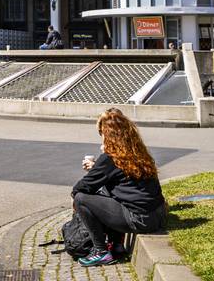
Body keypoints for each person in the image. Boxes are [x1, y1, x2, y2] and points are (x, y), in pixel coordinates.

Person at [71, 108, 168, 267]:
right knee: (106, 190)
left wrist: (98, 168)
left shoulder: (110, 158)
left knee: (81, 199)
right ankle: (116, 245)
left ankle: (101, 252)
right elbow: (123, 180)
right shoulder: (138, 151)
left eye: (101, 133)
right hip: (158, 214)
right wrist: (99, 168)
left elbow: (80, 188)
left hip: (140, 220)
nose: (101, 137)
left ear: (108, 135)